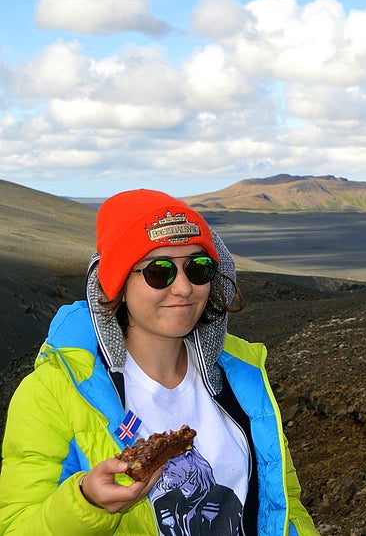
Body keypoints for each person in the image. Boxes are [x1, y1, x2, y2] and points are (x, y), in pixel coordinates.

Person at [0, 189, 319, 535]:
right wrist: (86, 504)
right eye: (159, 271)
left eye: (198, 268)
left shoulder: (243, 378)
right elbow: (17, 526)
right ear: (117, 283)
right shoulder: (52, 394)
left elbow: (285, 508)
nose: (183, 288)